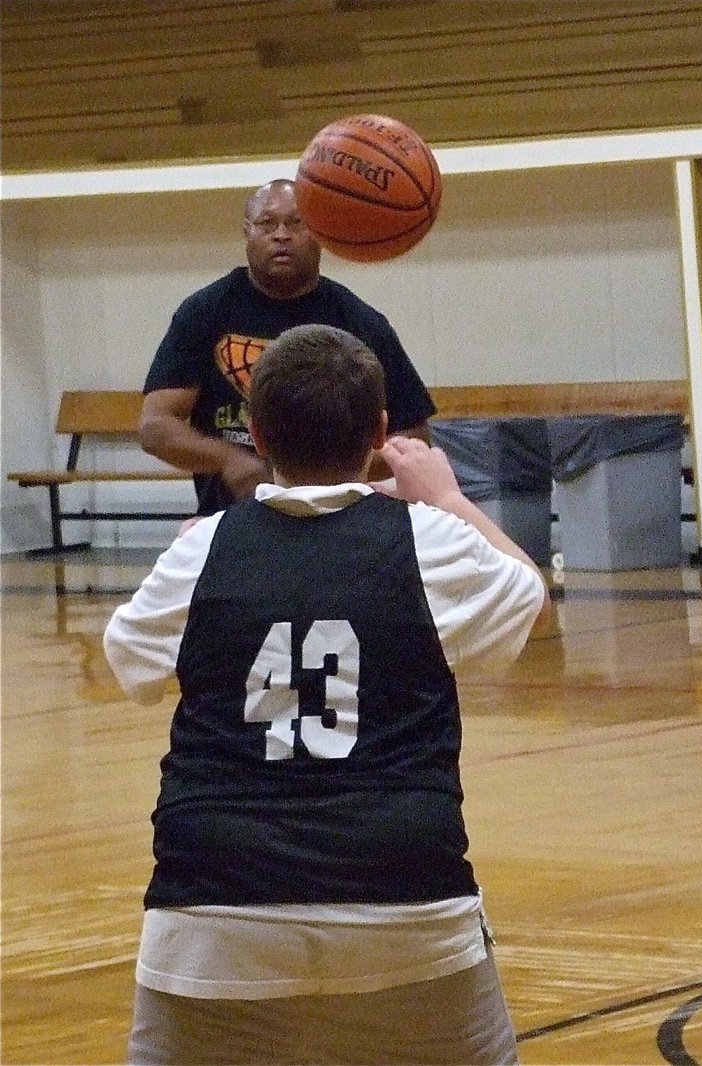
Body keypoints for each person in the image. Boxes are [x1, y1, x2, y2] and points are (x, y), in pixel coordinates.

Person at [104, 323, 550, 1065]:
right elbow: (530, 598)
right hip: (402, 899)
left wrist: (210, 552)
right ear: (379, 432)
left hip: (213, 907)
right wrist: (446, 496)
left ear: (253, 431)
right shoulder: (429, 540)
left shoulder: (203, 546)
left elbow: (129, 660)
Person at [140, 177, 436, 517]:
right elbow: (154, 426)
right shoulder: (205, 312)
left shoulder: (358, 320)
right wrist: (229, 459)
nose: (281, 234)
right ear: (247, 232)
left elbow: (414, 436)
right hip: (234, 521)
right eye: (267, 223)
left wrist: (332, 475)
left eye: (297, 223)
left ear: (321, 233)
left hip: (341, 523)